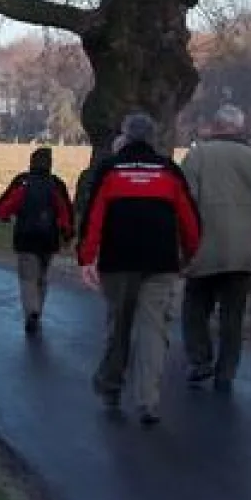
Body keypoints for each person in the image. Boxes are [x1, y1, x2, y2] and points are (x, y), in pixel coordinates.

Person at [77, 113, 201, 425]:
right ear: (153, 138)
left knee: (118, 326)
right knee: (153, 330)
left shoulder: (110, 170)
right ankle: (148, 399)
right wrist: (190, 254)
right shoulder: (169, 171)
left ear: (126, 136)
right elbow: (189, 219)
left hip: (117, 263)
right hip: (160, 262)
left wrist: (86, 258)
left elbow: (93, 218)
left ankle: (112, 386)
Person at [180, 104, 251, 392]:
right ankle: (227, 371)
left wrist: (183, 246)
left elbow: (185, 203)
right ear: (240, 128)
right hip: (241, 251)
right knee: (233, 316)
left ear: (215, 126)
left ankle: (200, 360)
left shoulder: (196, 156)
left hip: (203, 247)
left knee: (195, 309)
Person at [0, 147, 74, 335]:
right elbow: (64, 211)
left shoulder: (23, 182)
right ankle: (38, 310)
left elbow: (6, 206)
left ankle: (32, 311)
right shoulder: (55, 184)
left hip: (25, 237)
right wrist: (67, 233)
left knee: (27, 278)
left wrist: (3, 215)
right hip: (49, 238)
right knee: (42, 277)